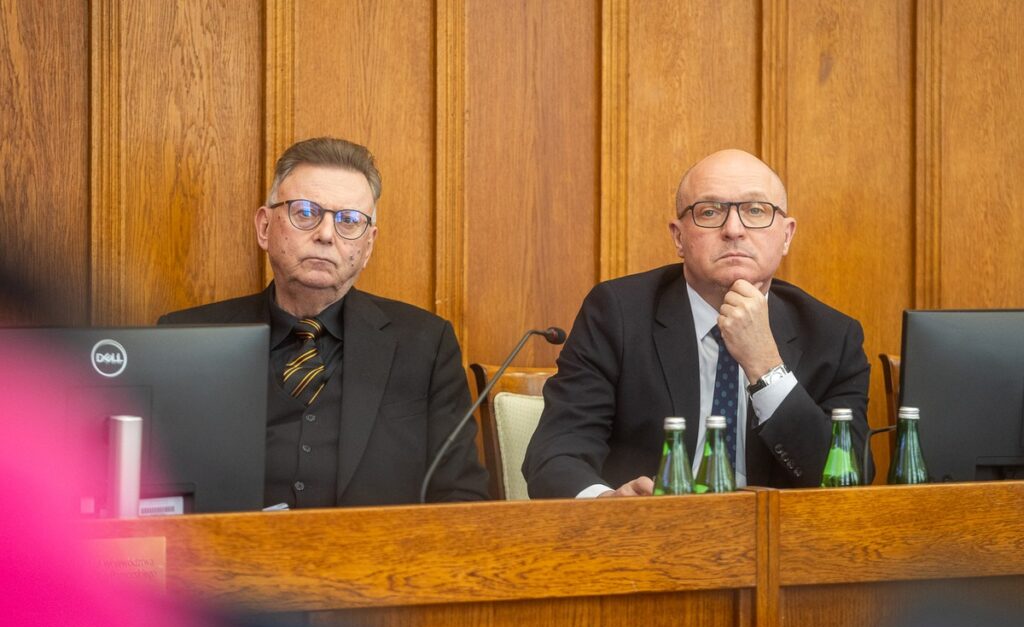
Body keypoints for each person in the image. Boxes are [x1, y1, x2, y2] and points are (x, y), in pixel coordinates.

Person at [523, 149, 870, 498]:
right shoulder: (618, 315)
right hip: (651, 529)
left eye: (755, 211)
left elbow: (850, 481)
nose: (733, 230)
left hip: (779, 531)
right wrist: (607, 504)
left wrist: (766, 367)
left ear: (787, 236)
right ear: (679, 237)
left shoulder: (833, 337)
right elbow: (555, 454)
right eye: (710, 212)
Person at [160, 137, 488, 507]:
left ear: (368, 246)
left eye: (349, 220)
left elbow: (462, 496)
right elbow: (153, 492)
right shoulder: (185, 340)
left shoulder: (426, 344)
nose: (326, 235)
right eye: (305, 212)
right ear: (265, 227)